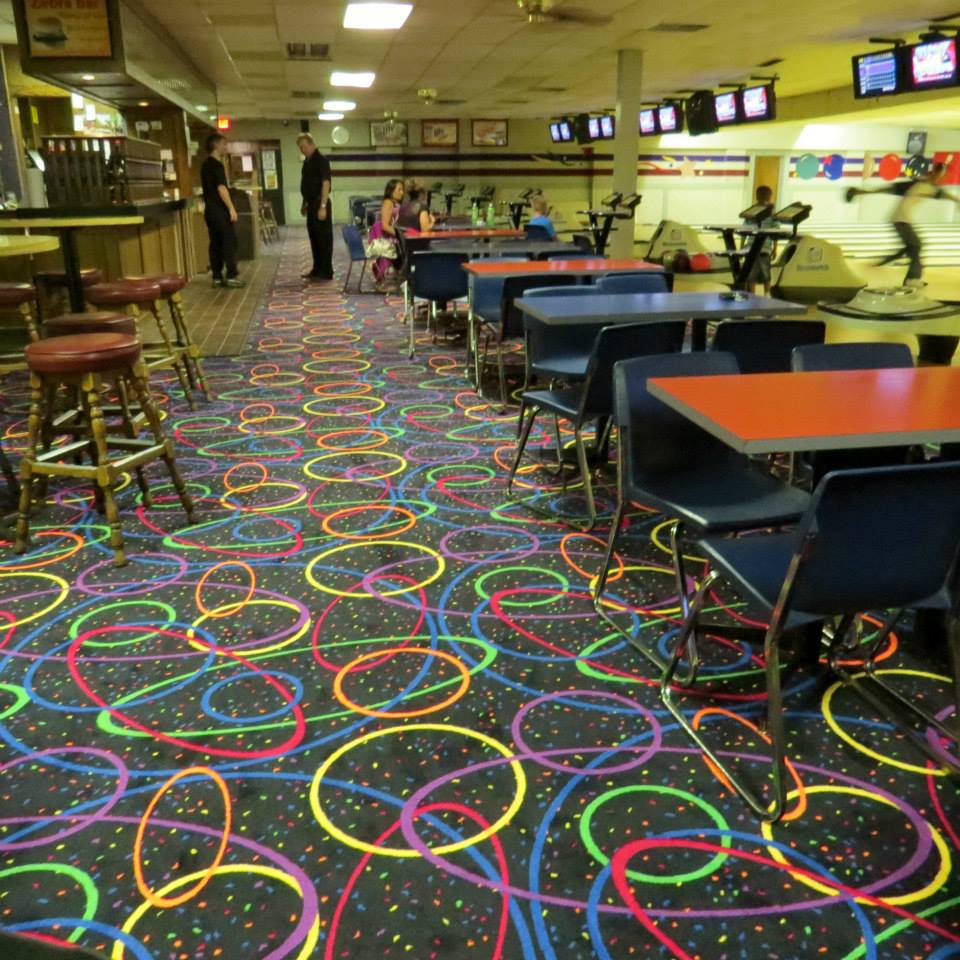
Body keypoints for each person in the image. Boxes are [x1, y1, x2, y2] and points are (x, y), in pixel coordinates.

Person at [846, 162, 960, 286]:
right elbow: (889, 189)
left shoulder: (926, 186)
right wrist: (863, 192)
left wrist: (862, 192)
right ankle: (912, 279)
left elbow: (890, 189)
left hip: (900, 219)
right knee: (916, 245)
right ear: (936, 173)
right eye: (940, 175)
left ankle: (883, 263)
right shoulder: (921, 185)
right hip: (901, 219)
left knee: (910, 248)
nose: (940, 178)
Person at [200, 133, 244, 288]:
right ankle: (232, 275)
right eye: (224, 144)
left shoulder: (205, 165)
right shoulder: (216, 165)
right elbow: (221, 188)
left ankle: (217, 276)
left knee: (215, 243)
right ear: (216, 145)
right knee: (228, 242)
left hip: (210, 210)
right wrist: (231, 208)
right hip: (220, 210)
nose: (226, 147)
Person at [298, 133, 333, 282]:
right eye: (300, 148)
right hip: (311, 203)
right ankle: (317, 268)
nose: (302, 150)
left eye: (304, 147)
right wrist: (304, 203)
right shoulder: (307, 162)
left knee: (323, 238)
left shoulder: (321, 160)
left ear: (312, 145)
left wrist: (323, 206)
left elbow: (326, 183)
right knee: (314, 237)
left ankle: (326, 270)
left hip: (321, 203)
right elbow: (306, 184)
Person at [365, 178, 403, 288]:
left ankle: (398, 277)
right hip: (383, 235)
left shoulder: (396, 203)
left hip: (391, 233)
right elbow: (385, 226)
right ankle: (384, 280)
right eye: (399, 189)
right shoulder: (388, 203)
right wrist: (400, 235)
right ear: (391, 191)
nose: (402, 192)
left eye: (402, 190)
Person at [744, 184, 777, 296]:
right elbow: (775, 232)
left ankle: (755, 295)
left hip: (753, 247)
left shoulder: (752, 211)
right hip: (764, 247)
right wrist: (775, 248)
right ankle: (766, 294)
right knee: (764, 272)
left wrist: (741, 246)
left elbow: (744, 229)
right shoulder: (772, 212)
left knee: (752, 272)